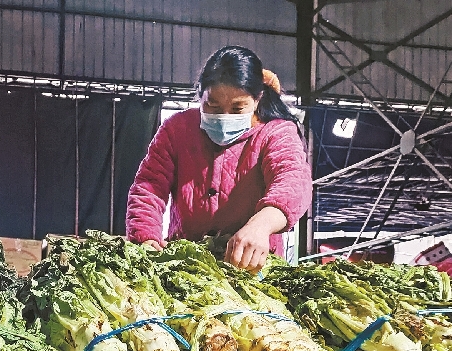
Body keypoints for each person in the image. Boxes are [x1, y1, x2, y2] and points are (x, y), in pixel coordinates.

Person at [125, 46, 312, 271]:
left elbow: (291, 183)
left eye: (237, 108)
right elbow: (149, 187)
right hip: (185, 267)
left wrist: (260, 226)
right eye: (212, 105)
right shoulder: (176, 129)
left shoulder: (276, 133)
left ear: (257, 100)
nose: (224, 116)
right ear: (200, 95)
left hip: (251, 267)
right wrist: (146, 238)